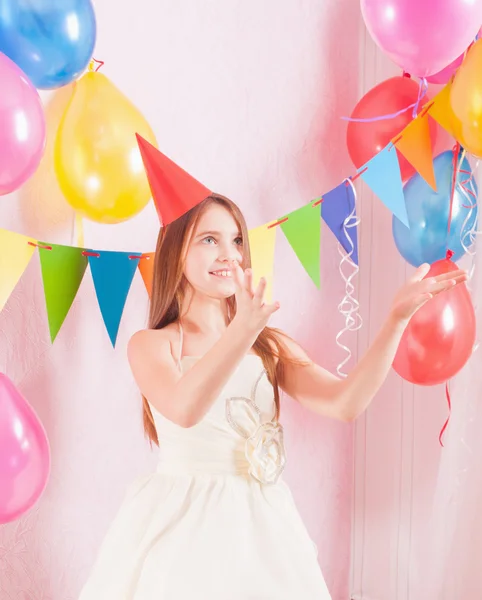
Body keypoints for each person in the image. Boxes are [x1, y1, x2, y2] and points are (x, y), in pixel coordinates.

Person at [78, 141, 467, 600]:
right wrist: (241, 330)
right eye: (209, 239)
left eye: (237, 239)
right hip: (181, 526)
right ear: (174, 251)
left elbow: (345, 402)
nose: (231, 253)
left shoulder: (267, 344)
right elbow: (184, 409)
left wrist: (395, 320)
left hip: (259, 529)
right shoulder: (152, 345)